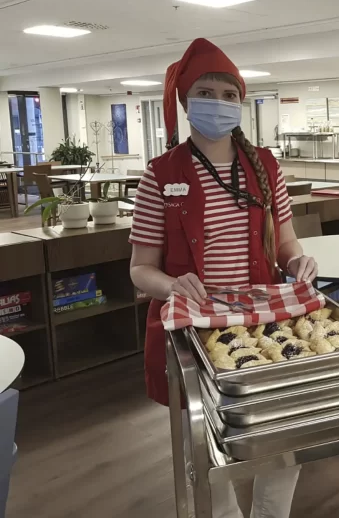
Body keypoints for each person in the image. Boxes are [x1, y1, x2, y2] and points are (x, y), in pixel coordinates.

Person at [129, 38, 318, 518]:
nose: (219, 103)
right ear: (186, 101)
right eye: (206, 93)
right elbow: (139, 269)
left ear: (241, 102)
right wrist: (171, 285)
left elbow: (287, 243)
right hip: (197, 332)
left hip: (264, 324)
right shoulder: (160, 175)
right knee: (209, 448)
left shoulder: (265, 167)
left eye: (229, 94)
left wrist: (298, 262)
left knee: (282, 435)